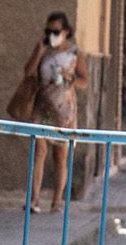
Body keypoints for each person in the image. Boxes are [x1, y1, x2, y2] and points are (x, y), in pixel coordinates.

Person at [23, 11, 89, 212]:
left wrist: (71, 80)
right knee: (39, 150)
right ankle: (33, 199)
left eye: (55, 31)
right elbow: (28, 72)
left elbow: (84, 81)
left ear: (66, 31)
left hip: (64, 109)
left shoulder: (75, 53)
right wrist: (39, 51)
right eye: (48, 30)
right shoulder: (43, 49)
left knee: (60, 155)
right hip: (42, 105)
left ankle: (57, 201)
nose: (51, 34)